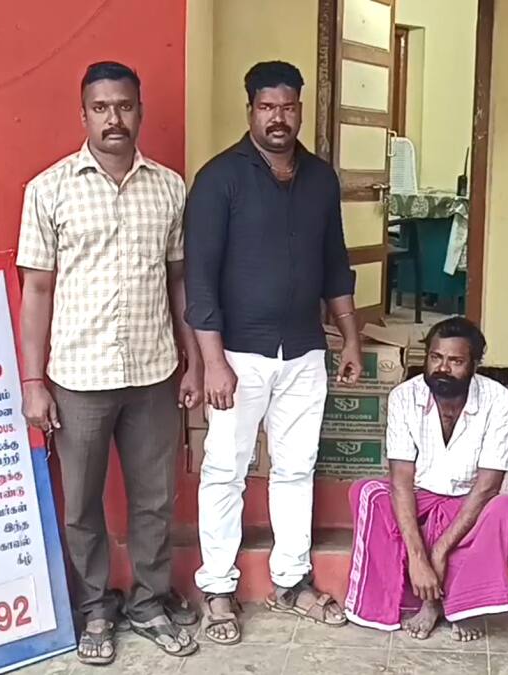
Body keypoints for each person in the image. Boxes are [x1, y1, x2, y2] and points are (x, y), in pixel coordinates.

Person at [16, 61, 201, 664]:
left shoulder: (169, 188)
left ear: (139, 112)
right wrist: (33, 382)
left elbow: (180, 283)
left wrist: (194, 364)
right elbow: (36, 290)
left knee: (155, 499)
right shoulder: (48, 190)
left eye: (123, 106)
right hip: (79, 377)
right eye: (101, 108)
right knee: (81, 505)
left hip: (154, 373)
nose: (113, 119)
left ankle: (148, 601)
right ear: (84, 115)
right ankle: (95, 606)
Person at [183, 60, 363, 645]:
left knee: (294, 469)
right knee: (224, 469)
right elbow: (200, 279)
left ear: (300, 110)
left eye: (287, 107)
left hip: (305, 352)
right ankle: (217, 588)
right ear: (251, 111)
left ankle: (290, 581)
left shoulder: (320, 179)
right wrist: (212, 361)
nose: (277, 118)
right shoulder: (219, 179)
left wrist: (350, 337)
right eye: (267, 107)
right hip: (238, 354)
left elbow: (335, 264)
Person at [343, 317, 508, 643]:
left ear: (475, 364)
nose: (443, 368)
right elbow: (400, 481)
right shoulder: (404, 397)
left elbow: (488, 487)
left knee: (507, 509)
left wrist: (438, 552)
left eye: (455, 361)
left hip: (470, 502)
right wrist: (418, 557)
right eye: (436, 357)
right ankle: (409, 598)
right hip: (419, 497)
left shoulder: (500, 401)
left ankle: (459, 605)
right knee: (367, 492)